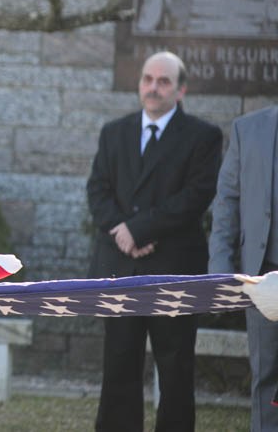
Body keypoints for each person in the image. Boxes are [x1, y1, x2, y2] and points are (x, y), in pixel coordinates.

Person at [86, 51, 222, 432]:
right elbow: (97, 190)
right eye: (148, 79)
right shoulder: (114, 132)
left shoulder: (203, 136)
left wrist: (141, 230)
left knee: (175, 368)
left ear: (181, 90)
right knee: (119, 364)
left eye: (164, 81)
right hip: (120, 267)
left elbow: (196, 196)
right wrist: (122, 232)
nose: (153, 88)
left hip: (174, 267)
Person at [209, 104, 278, 432]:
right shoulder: (247, 129)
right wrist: (220, 270)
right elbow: (227, 202)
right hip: (263, 278)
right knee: (266, 378)